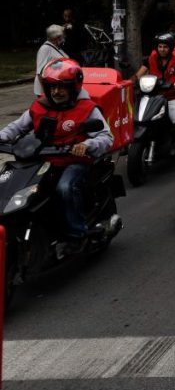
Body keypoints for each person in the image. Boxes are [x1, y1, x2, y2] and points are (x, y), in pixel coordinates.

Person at [0, 58, 113, 250]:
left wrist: (86, 144)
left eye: (62, 87)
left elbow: (106, 137)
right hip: (41, 161)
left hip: (73, 161)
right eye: (52, 87)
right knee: (9, 186)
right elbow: (16, 127)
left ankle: (77, 233)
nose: (56, 91)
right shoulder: (39, 106)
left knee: (65, 187)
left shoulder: (86, 108)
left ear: (73, 87)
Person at [134, 33, 175, 164]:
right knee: (138, 117)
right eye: (160, 46)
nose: (162, 49)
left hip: (171, 96)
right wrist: (132, 82)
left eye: (165, 47)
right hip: (153, 96)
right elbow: (139, 74)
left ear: (170, 48)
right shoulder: (150, 59)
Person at [35, 25, 69, 96]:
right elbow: (40, 72)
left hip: (56, 87)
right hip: (48, 91)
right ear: (57, 37)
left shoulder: (56, 47)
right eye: (63, 36)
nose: (64, 37)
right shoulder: (45, 49)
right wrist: (46, 93)